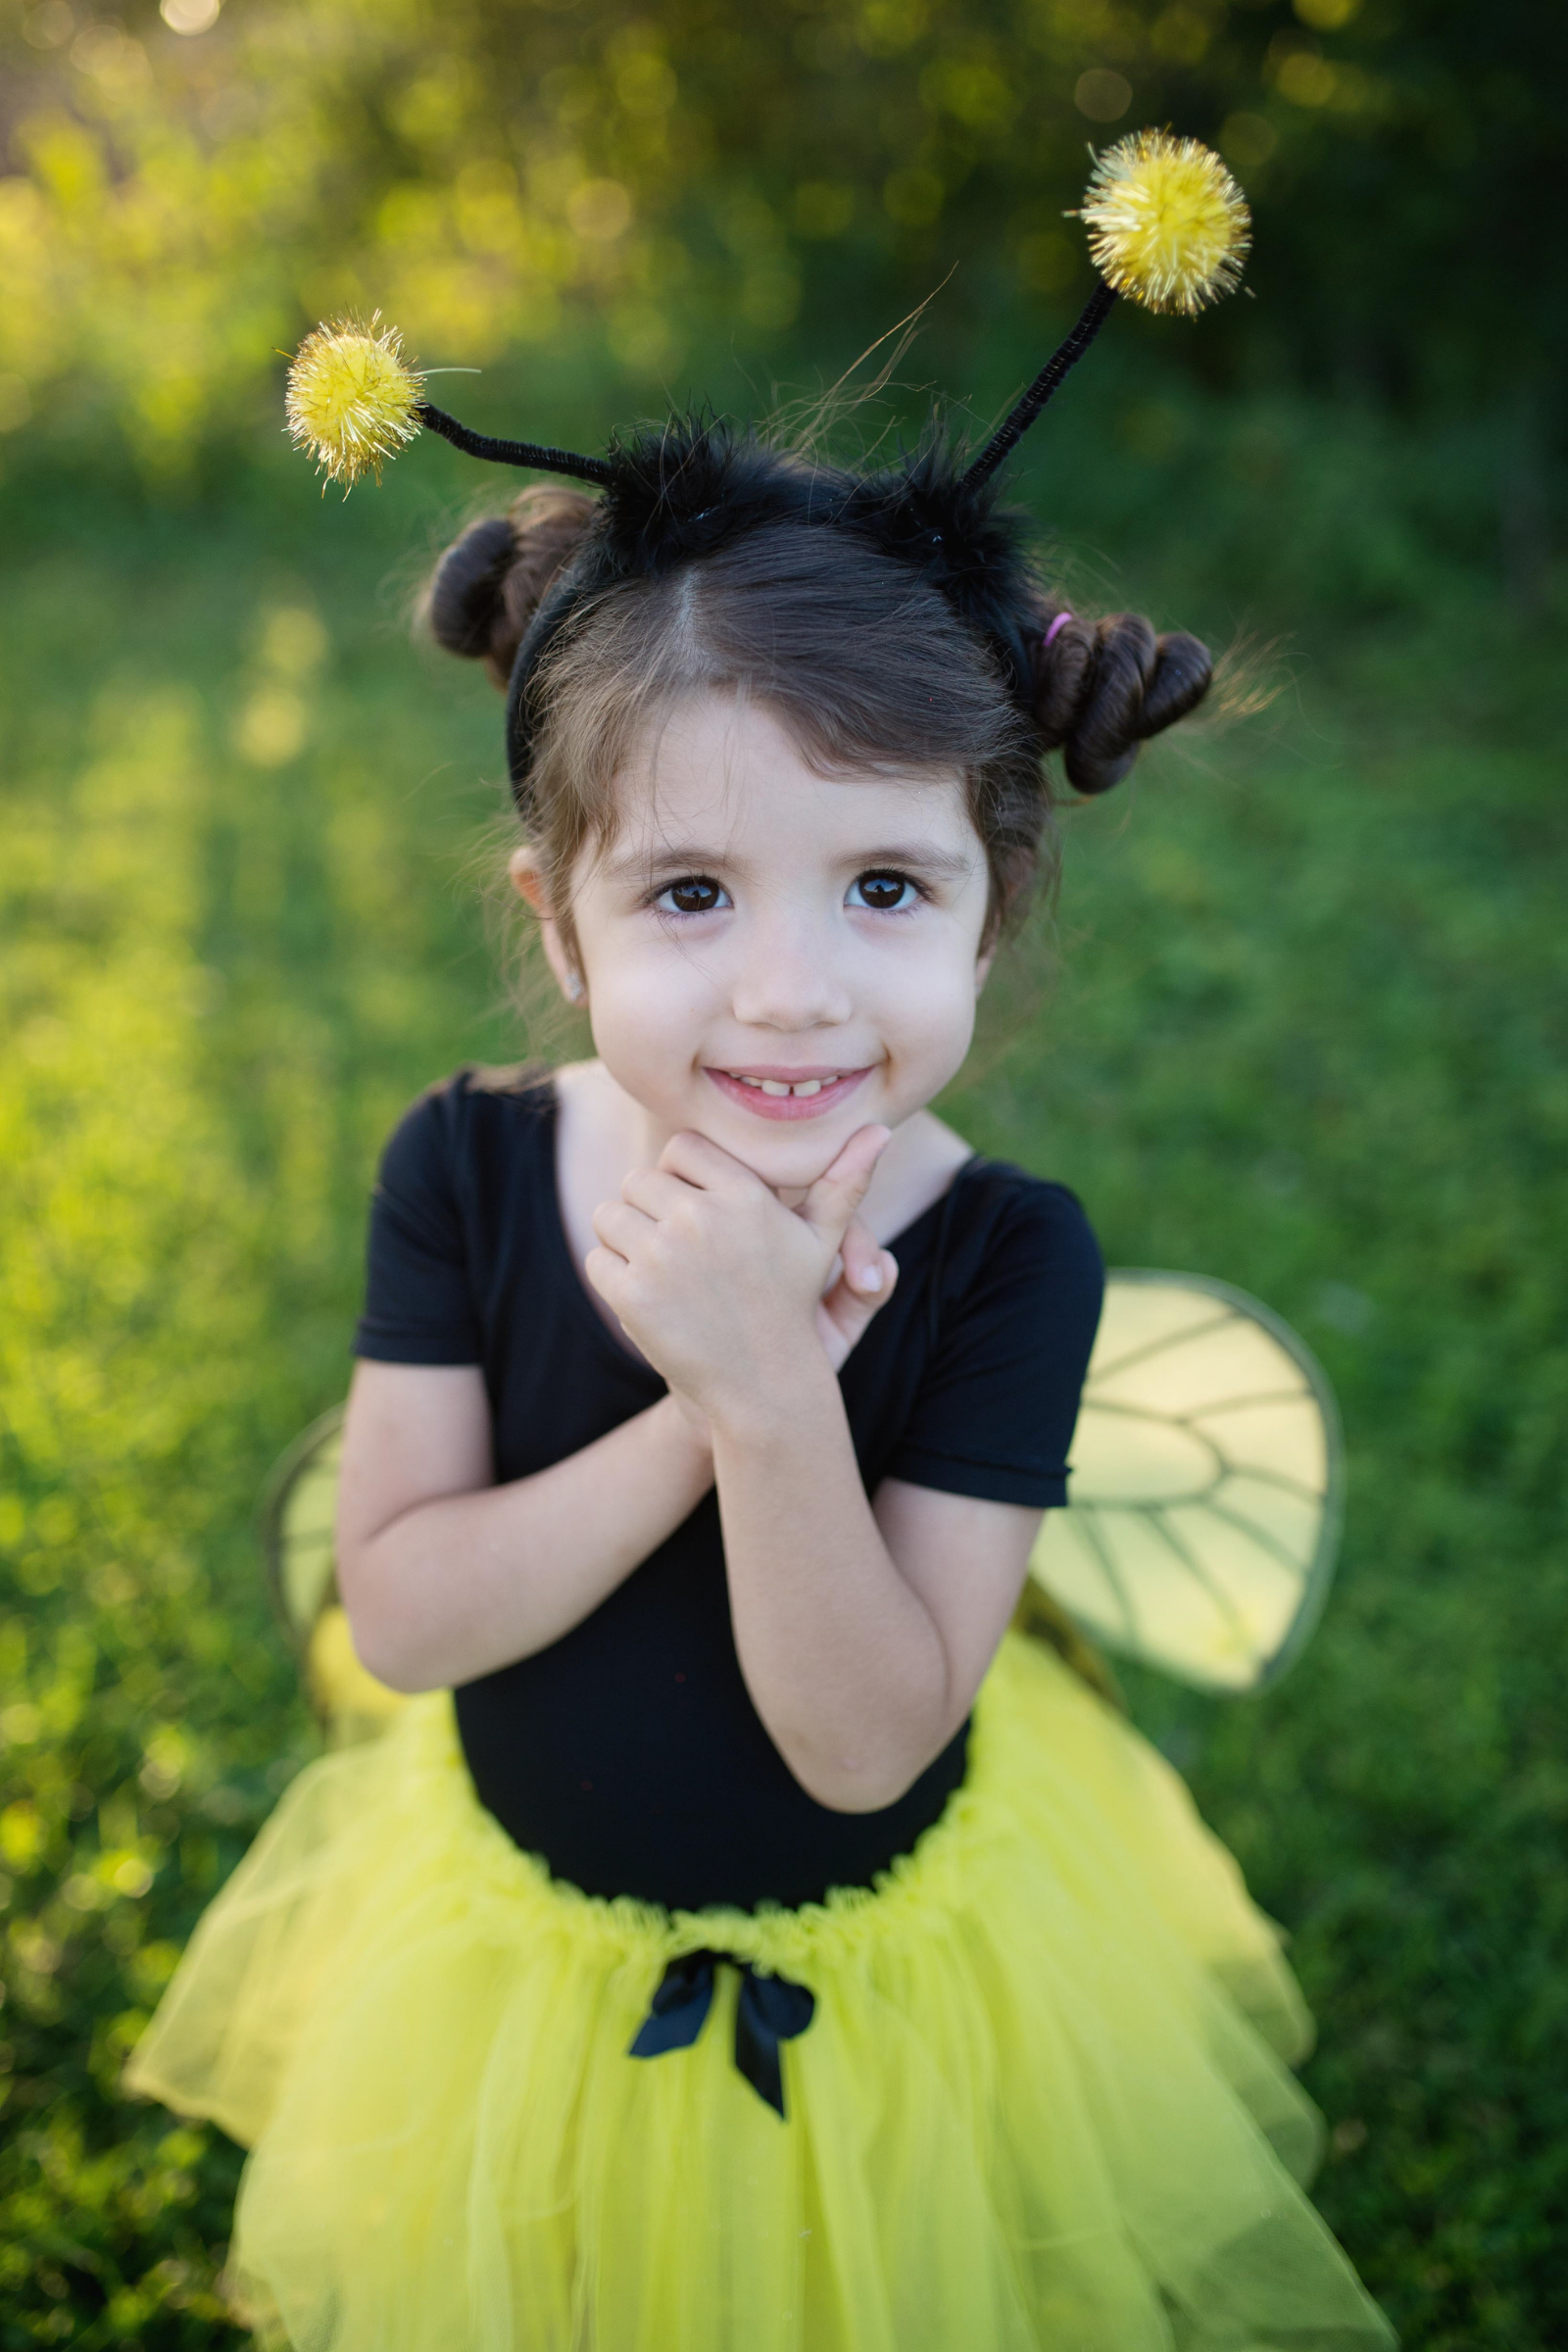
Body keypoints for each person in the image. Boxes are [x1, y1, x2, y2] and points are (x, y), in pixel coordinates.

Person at [127, 136, 1395, 2352]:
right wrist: (694, 1408)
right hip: (513, 1964)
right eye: (690, 896)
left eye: (882, 889)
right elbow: (407, 1619)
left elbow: (864, 1739)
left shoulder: (1004, 1258)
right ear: (558, 911)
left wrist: (774, 1389)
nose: (791, 991)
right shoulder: (464, 1170)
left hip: (885, 1997)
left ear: (992, 907)